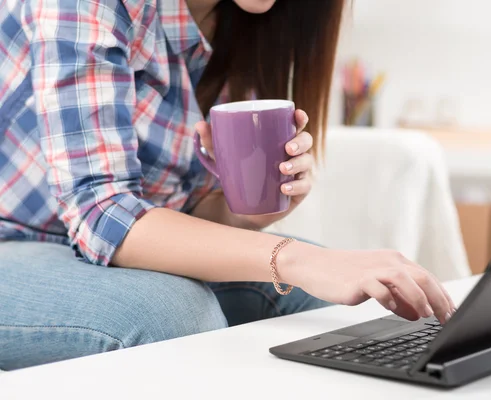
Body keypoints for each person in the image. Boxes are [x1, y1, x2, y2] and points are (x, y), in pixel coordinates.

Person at [0, 0, 455, 371]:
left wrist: (249, 212)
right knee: (174, 312)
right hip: (15, 240)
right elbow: (101, 215)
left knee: (330, 304)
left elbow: (183, 215)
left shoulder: (242, 24)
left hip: (99, 253)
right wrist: (296, 258)